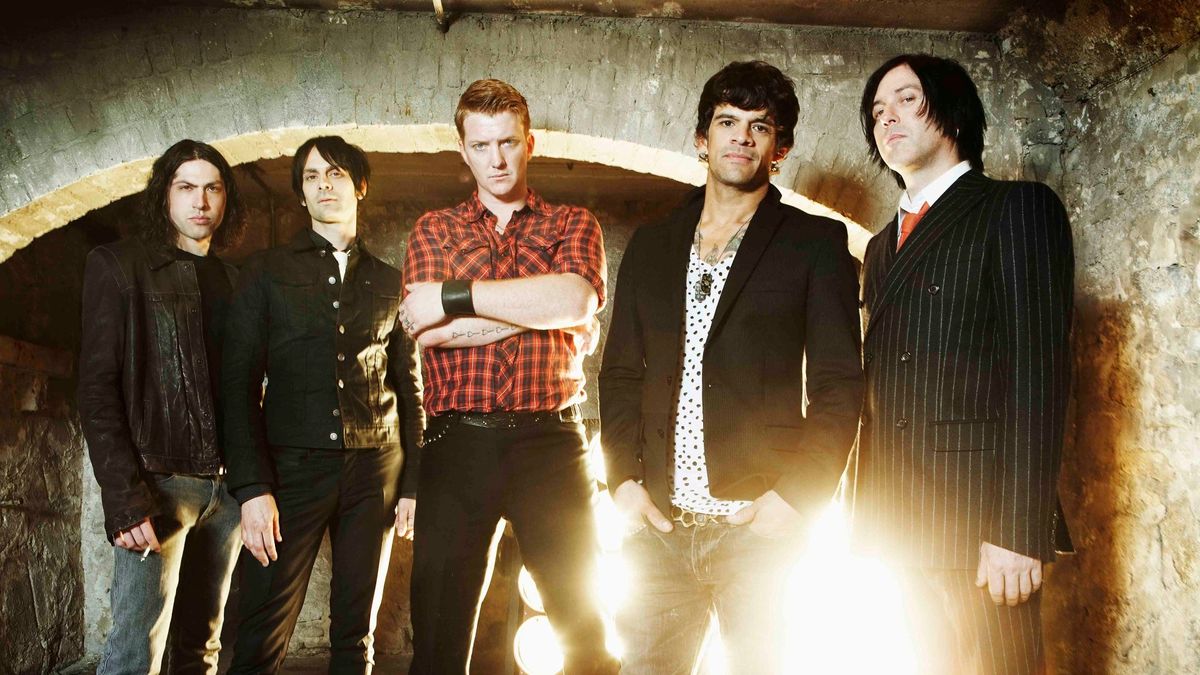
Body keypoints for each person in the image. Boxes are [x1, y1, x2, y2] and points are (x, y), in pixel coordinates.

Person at [598, 60, 865, 674]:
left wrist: (797, 497)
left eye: (759, 126)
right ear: (702, 138)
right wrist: (622, 482)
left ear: (780, 148)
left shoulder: (814, 243)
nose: (741, 136)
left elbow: (838, 386)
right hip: (660, 529)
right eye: (727, 122)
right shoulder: (652, 243)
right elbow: (620, 373)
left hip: (759, 530)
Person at [853, 53, 1074, 674]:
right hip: (897, 522)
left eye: (906, 99)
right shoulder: (881, 244)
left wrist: (1019, 529)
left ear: (951, 113)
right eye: (877, 110)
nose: (887, 118)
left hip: (981, 523)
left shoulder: (1016, 208)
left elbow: (1038, 375)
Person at [399, 78, 616, 674]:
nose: (496, 159)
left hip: (553, 443)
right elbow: (427, 331)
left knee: (587, 636)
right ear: (463, 150)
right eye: (481, 145)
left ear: (530, 143)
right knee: (437, 646)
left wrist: (458, 297)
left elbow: (575, 298)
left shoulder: (573, 223)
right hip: (457, 443)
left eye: (508, 142)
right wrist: (538, 309)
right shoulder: (434, 229)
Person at [222, 135, 424, 674]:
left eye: (335, 174)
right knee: (261, 630)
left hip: (376, 469)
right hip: (291, 470)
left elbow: (410, 390)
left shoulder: (391, 282)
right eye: (311, 177)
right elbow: (237, 386)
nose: (324, 185)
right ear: (300, 194)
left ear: (360, 187)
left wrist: (412, 484)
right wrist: (252, 488)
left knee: (356, 634)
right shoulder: (265, 273)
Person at [78, 139, 247, 674]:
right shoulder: (118, 265)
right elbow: (96, 390)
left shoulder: (235, 281)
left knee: (203, 649)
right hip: (158, 485)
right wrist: (125, 500)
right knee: (135, 655)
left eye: (213, 188)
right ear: (164, 194)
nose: (201, 201)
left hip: (228, 491)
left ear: (225, 198)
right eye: (186, 187)